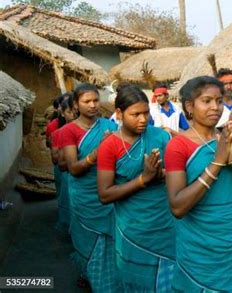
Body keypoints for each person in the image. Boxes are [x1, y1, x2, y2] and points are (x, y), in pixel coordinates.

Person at [164, 76, 232, 292]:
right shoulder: (177, 146)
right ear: (190, 107)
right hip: (198, 241)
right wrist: (217, 163)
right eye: (207, 101)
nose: (215, 107)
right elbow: (177, 207)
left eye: (219, 101)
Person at [97, 85, 176, 292]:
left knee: (167, 281)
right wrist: (144, 179)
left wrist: (163, 174)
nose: (143, 119)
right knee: (135, 282)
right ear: (119, 114)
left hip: (164, 224)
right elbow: (105, 194)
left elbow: (177, 176)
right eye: (135, 114)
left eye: (146, 113)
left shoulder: (160, 137)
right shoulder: (109, 146)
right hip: (133, 228)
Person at [62, 84, 118, 291]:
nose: (93, 105)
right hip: (85, 194)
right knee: (88, 238)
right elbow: (74, 168)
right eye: (87, 101)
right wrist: (98, 152)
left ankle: (109, 282)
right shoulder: (69, 131)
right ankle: (88, 274)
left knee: (111, 239)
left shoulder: (110, 127)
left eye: (96, 100)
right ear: (76, 104)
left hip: (109, 191)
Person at [50, 93, 76, 232]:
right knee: (65, 199)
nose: (72, 114)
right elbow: (56, 159)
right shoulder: (58, 132)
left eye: (74, 111)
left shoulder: (87, 131)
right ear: (62, 113)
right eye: (68, 111)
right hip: (67, 173)